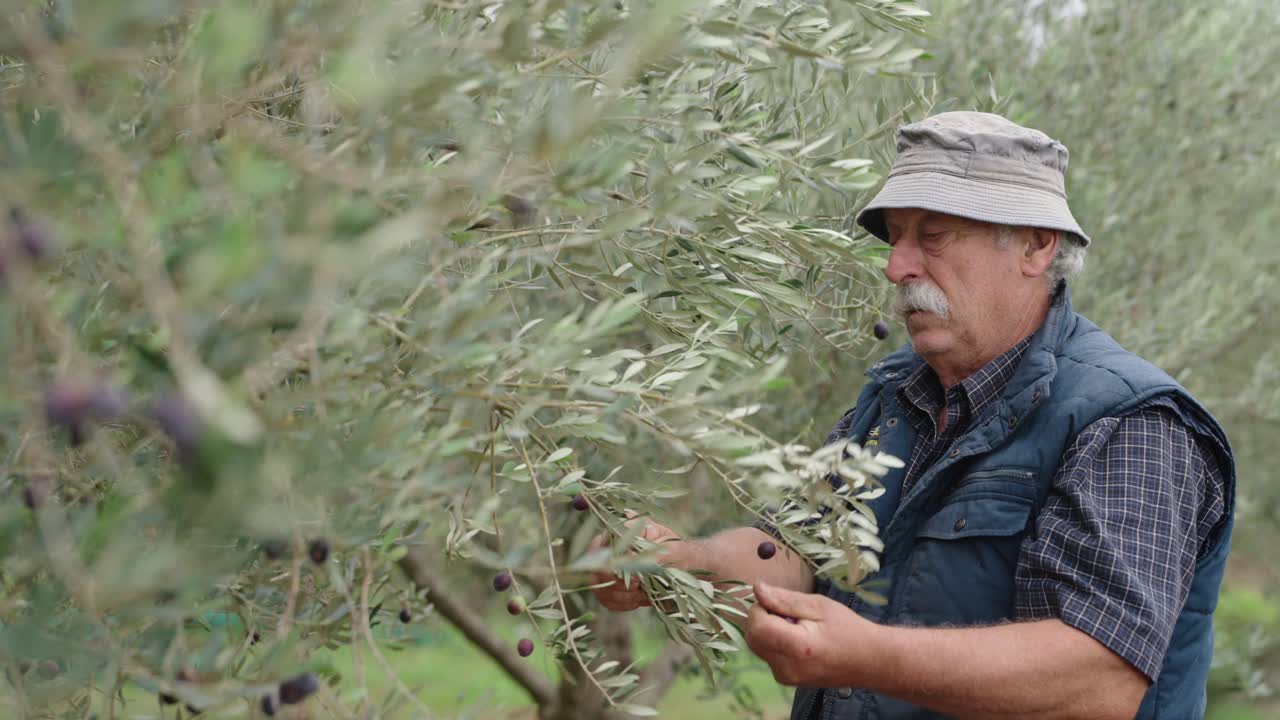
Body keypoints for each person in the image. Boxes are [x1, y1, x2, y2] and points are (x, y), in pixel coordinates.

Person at [590, 112, 1235, 719]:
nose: (898, 267)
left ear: (1037, 246)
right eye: (897, 237)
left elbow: (1099, 678)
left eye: (932, 235)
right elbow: (793, 555)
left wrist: (869, 655)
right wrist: (681, 563)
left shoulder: (1130, 424)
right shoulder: (892, 400)